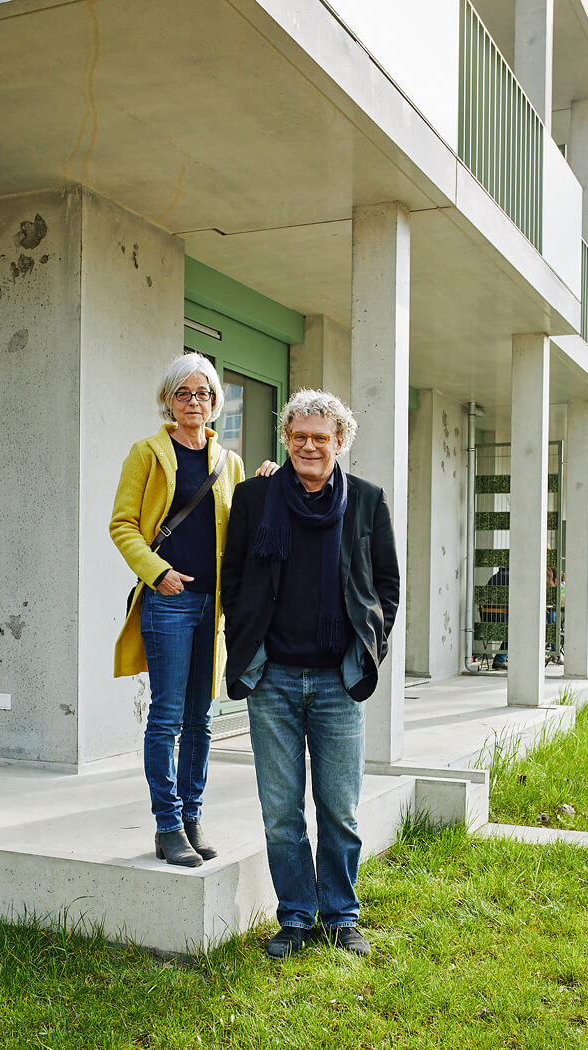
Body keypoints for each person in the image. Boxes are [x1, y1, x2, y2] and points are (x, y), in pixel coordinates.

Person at [221, 389, 400, 959]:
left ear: (340, 442)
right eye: (299, 435)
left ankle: (342, 915)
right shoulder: (254, 499)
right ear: (286, 439)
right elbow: (234, 578)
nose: (309, 446)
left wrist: (370, 645)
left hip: (337, 683)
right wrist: (245, 633)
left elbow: (388, 586)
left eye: (321, 437)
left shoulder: (367, 502)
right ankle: (296, 917)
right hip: (271, 678)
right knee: (280, 812)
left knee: (339, 808)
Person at [110, 353, 276, 868]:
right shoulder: (147, 453)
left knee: (200, 718)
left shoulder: (229, 463)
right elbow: (123, 525)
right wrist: (157, 572)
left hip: (214, 607)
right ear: (169, 399)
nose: (194, 402)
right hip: (170, 602)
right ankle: (166, 824)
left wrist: (272, 477)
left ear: (215, 404)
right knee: (166, 718)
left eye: (203, 394)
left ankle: (192, 816)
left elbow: (248, 524)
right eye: (184, 393)